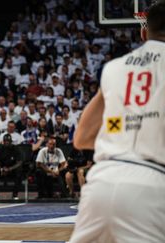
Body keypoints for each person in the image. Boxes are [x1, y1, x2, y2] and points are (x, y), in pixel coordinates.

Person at [70, 2, 165, 242]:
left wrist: (125, 128)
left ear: (144, 31)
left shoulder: (113, 68)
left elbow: (81, 138)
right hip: (153, 186)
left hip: (102, 180)